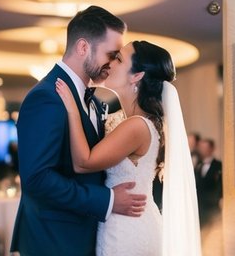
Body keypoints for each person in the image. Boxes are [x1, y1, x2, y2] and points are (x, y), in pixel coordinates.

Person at [11, 6, 146, 256]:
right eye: (112, 54)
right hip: (55, 240)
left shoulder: (93, 99)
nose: (114, 63)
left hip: (85, 236)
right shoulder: (46, 97)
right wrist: (107, 200)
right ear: (83, 47)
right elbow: (37, 179)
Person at [54, 37, 201, 256]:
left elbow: (84, 163)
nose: (110, 64)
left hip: (128, 230)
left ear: (137, 76)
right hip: (126, 220)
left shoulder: (136, 125)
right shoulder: (135, 121)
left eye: (119, 60)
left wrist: (72, 110)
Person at [194, 136, 222, 227]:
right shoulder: (198, 165)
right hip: (199, 208)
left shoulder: (218, 165)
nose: (202, 150)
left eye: (205, 148)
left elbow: (220, 186)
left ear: (211, 149)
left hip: (212, 207)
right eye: (201, 148)